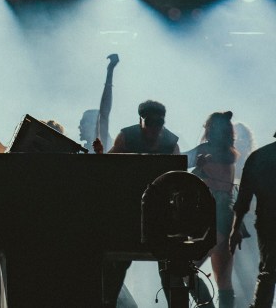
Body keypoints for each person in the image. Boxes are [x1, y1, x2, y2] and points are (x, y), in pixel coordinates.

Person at [102, 99, 182, 308]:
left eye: (159, 123)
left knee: (169, 267)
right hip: (129, 211)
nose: (154, 128)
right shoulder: (126, 137)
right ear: (141, 120)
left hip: (160, 215)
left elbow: (179, 177)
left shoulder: (171, 143)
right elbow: (108, 167)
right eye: (150, 122)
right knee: (117, 264)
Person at [185, 111, 238, 308]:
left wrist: (197, 167)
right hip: (223, 216)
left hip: (214, 216)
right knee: (223, 279)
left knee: (186, 269)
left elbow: (179, 162)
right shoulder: (229, 154)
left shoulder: (212, 152)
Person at [230, 129, 276, 308]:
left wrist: (236, 227)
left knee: (269, 270)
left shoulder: (258, 157)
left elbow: (244, 198)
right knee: (269, 270)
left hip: (267, 222)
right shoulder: (259, 158)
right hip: (268, 221)